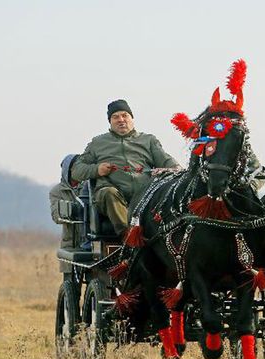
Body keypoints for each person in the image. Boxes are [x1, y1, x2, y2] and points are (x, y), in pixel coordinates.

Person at [71, 99, 180, 236]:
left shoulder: (148, 140)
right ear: (110, 121)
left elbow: (170, 164)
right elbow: (76, 171)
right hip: (112, 196)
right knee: (109, 193)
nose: (121, 120)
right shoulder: (97, 143)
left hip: (145, 196)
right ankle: (129, 239)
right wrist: (96, 169)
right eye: (115, 117)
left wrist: (173, 169)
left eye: (125, 115)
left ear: (132, 118)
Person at [49, 154, 83, 250]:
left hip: (91, 241)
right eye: (76, 168)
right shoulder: (57, 191)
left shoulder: (89, 187)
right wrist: (70, 210)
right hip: (70, 244)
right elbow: (56, 217)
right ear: (68, 170)